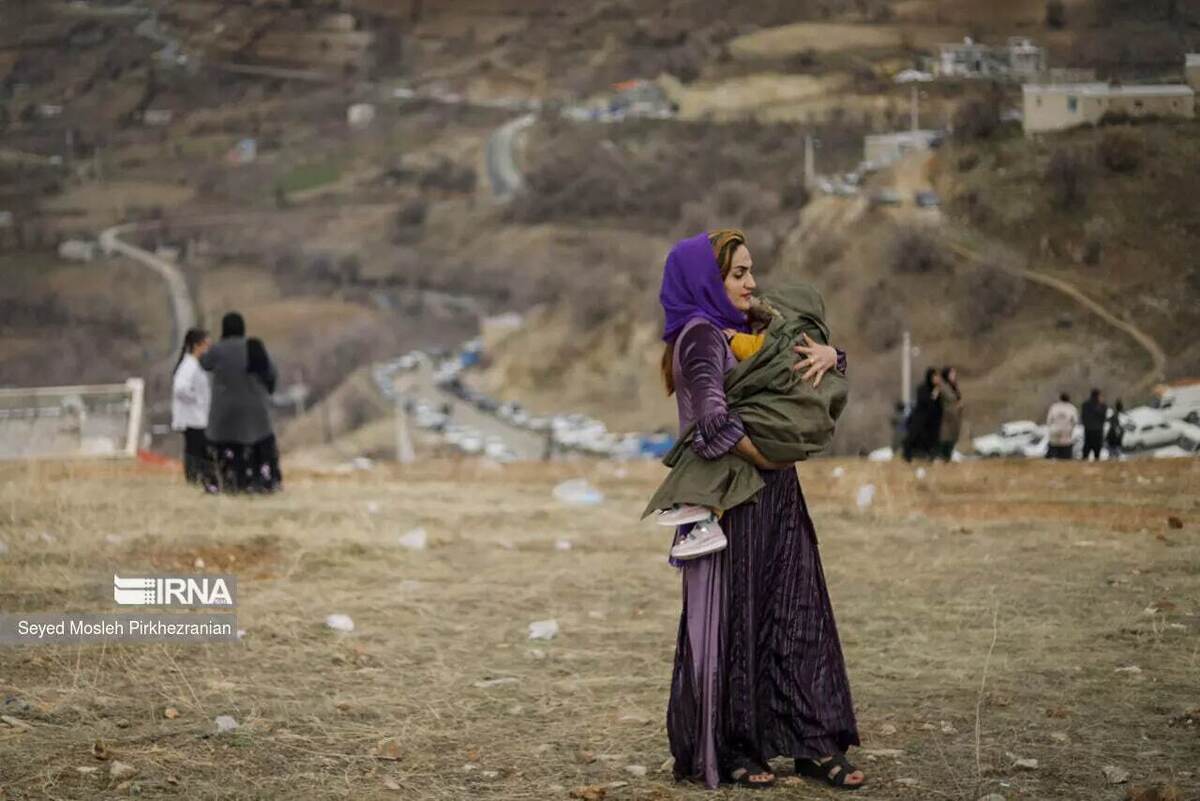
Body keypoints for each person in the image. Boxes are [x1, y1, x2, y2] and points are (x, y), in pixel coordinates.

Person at [658, 230, 862, 790]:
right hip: (733, 501)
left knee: (797, 613)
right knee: (739, 621)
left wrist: (832, 354)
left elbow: (803, 363)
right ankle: (738, 748)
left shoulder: (752, 331)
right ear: (707, 281)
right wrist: (773, 455)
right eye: (737, 274)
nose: (751, 283)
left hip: (776, 494)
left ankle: (813, 743)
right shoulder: (700, 339)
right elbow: (710, 427)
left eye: (751, 271)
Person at [200, 312, 280, 493]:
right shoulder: (254, 346)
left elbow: (204, 363)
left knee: (226, 447)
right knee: (260, 445)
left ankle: (228, 481)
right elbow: (271, 373)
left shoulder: (218, 350)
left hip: (225, 412)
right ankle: (263, 480)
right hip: (255, 410)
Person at [171, 328, 211, 484]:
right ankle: (194, 478)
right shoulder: (189, 365)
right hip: (192, 417)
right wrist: (196, 399)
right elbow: (180, 388)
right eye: (206, 345)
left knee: (196, 450)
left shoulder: (194, 365)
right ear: (197, 345)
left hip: (196, 416)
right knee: (196, 451)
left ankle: (197, 478)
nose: (208, 349)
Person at [903, 368, 942, 461]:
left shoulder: (938, 390)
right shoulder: (923, 388)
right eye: (935, 376)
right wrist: (933, 395)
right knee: (915, 436)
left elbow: (939, 406)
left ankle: (930, 456)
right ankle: (909, 456)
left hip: (933, 421)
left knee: (931, 440)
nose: (937, 379)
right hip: (921, 419)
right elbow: (925, 401)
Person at [937, 366, 963, 461]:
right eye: (951, 373)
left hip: (955, 419)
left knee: (952, 439)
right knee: (945, 439)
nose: (954, 375)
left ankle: (947, 458)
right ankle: (943, 458)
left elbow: (958, 399)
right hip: (945, 418)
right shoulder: (942, 387)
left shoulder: (955, 386)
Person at [1045, 392, 1078, 459]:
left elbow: (1049, 420)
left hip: (1054, 431)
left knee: (1054, 450)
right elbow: (1075, 421)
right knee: (1066, 453)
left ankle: (1053, 458)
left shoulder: (1054, 407)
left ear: (1060, 398)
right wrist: (1071, 429)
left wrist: (1051, 428)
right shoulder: (1072, 408)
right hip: (1066, 432)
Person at [1080, 388, 1107, 462]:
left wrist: (1086, 425)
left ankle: (1084, 461)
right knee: (1097, 450)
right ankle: (1096, 460)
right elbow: (1103, 418)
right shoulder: (1102, 405)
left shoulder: (1085, 404)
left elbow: (1083, 417)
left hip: (1088, 429)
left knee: (1086, 448)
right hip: (1098, 430)